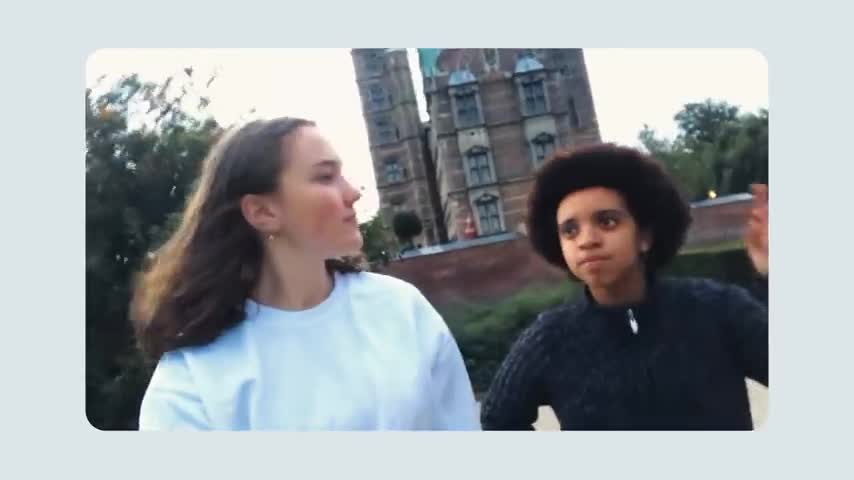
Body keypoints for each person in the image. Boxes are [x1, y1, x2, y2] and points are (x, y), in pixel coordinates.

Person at [132, 117, 478, 431]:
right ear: (263, 212)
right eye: (325, 177)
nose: (352, 192)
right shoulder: (191, 383)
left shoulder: (401, 309)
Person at [480, 144, 768, 430]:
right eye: (570, 230)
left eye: (607, 222)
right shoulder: (550, 339)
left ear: (645, 236)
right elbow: (498, 418)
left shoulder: (717, 310)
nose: (586, 240)